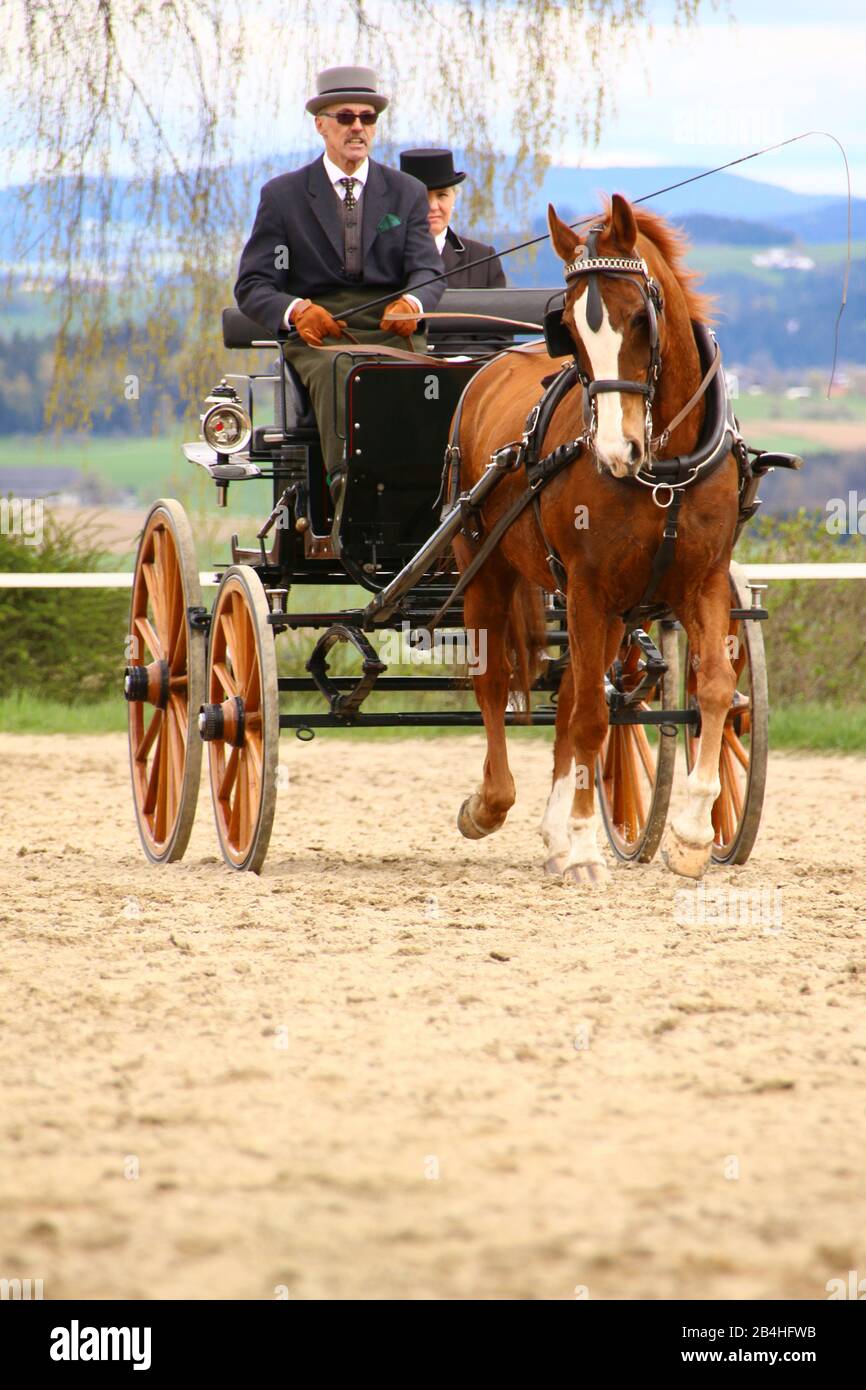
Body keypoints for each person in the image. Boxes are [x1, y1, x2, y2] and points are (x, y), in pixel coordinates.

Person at [234, 67, 445, 503]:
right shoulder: (284, 196)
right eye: (346, 116)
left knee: (430, 383)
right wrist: (296, 311)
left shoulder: (405, 192)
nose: (357, 127)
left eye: (367, 118)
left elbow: (428, 271)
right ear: (320, 124)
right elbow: (254, 283)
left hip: (392, 325)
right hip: (321, 330)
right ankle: (351, 493)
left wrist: (412, 302)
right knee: (345, 373)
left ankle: (428, 498)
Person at [398, 148, 506, 289]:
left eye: (442, 195)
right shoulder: (382, 256)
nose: (433, 206)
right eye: (422, 196)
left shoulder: (483, 260)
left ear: (454, 197)